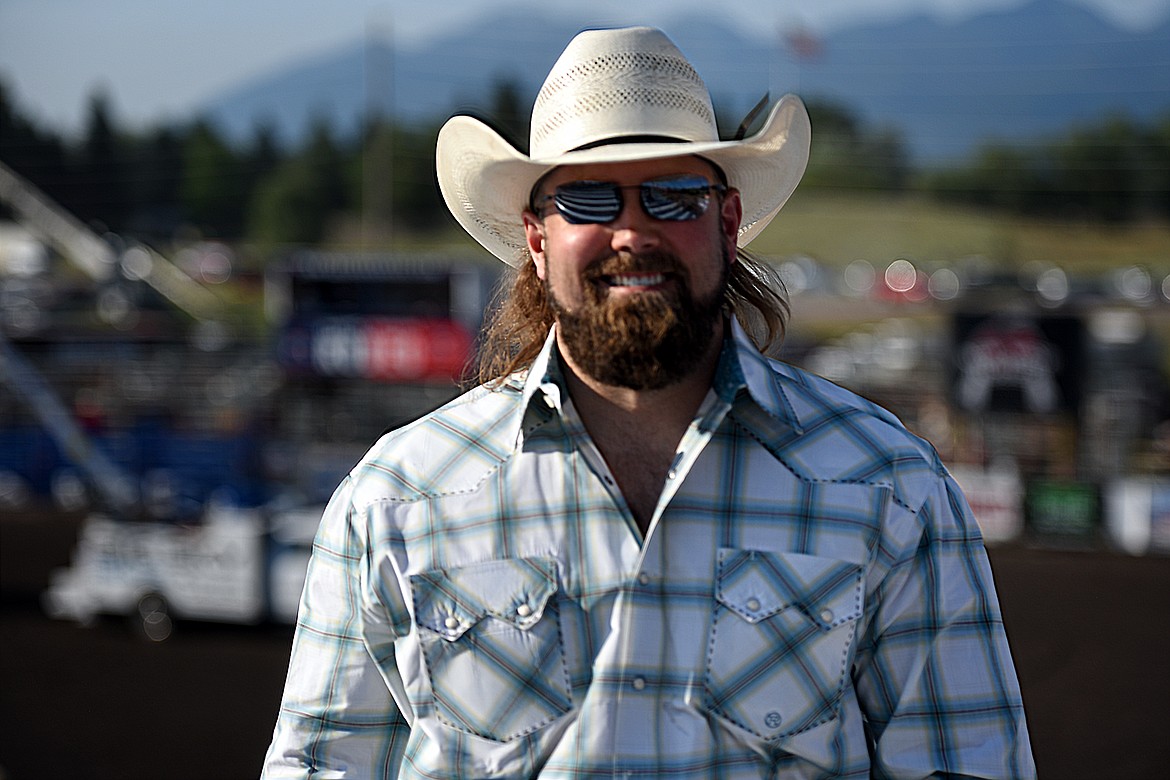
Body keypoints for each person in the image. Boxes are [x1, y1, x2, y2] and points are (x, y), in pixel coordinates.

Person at [262, 26, 1035, 779]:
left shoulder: (890, 488)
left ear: (727, 224)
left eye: (672, 196)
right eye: (591, 201)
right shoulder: (395, 498)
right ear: (536, 238)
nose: (633, 232)